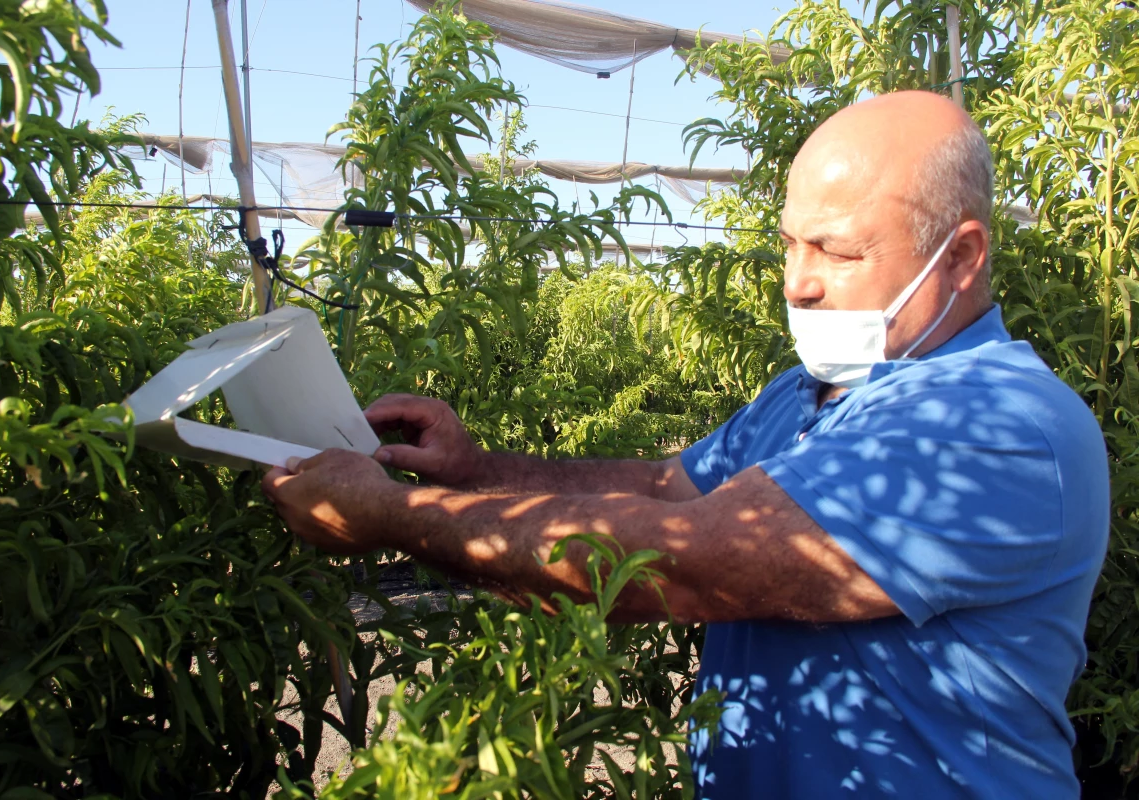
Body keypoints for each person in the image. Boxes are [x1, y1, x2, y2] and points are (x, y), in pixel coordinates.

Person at [262, 91, 1109, 798]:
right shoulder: (808, 392)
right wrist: (478, 470)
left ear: (960, 257)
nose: (798, 280)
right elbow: (670, 489)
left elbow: (682, 558)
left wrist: (388, 515)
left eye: (838, 250)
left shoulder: (1000, 423)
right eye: (790, 242)